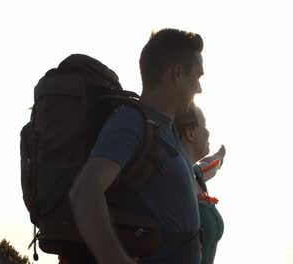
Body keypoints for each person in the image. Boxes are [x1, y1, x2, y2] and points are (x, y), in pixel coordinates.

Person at [69, 28, 205, 264]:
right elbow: (84, 190)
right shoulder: (131, 122)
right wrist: (115, 259)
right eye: (198, 77)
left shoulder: (167, 128)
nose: (199, 88)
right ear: (178, 73)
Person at [174, 102, 226, 264]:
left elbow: (210, 165)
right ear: (190, 133)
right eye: (203, 125)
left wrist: (220, 156)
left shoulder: (196, 174)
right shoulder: (172, 180)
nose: (208, 131)